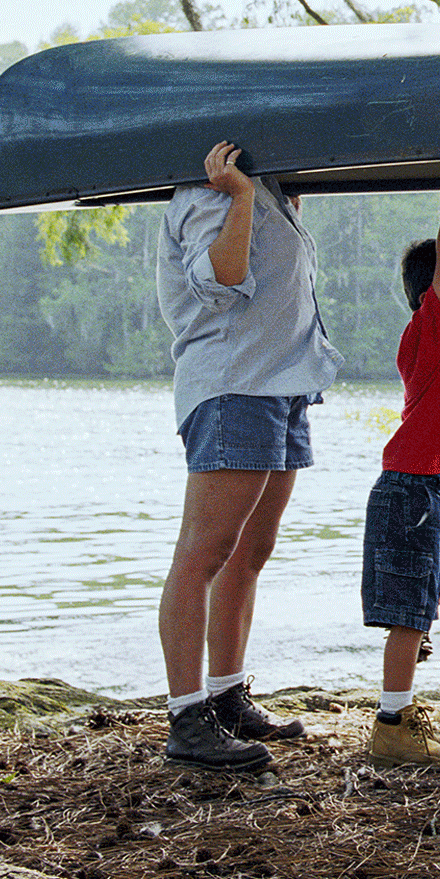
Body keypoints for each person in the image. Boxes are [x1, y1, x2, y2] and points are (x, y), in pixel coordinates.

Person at [156, 138, 341, 771]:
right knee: (204, 552)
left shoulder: (271, 194)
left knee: (250, 553)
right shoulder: (208, 191)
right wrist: (237, 195)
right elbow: (224, 277)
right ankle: (187, 718)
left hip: (283, 387)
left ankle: (226, 695)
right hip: (234, 386)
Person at [362, 159, 440, 767]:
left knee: (419, 610)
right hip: (410, 488)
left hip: (425, 489)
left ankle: (401, 710)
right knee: (409, 612)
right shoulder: (430, 332)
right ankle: (393, 725)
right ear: (432, 297)